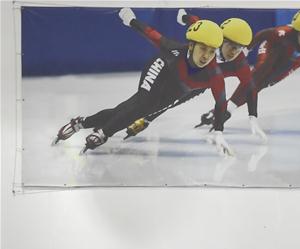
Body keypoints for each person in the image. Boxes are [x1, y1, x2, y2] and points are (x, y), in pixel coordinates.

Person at [52, 14, 232, 155]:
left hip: (176, 86)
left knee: (127, 110)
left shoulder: (213, 75)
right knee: (141, 105)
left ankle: (81, 123)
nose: (206, 56)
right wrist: (131, 20)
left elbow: (221, 102)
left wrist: (218, 132)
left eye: (211, 51)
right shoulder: (175, 50)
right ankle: (104, 133)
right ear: (191, 46)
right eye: (202, 49)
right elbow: (152, 35)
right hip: (161, 67)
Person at [124, 9, 264, 142]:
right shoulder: (210, 39)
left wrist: (253, 117)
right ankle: (130, 117)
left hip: (199, 83)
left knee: (171, 102)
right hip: (179, 69)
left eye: (239, 48)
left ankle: (145, 120)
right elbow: (194, 23)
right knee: (154, 98)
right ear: (221, 39)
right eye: (231, 46)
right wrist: (131, 20)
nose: (234, 52)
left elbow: (250, 87)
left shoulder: (239, 63)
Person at [194, 8, 300, 130]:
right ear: (297, 32)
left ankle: (222, 111)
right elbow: (263, 34)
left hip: (289, 61)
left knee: (263, 84)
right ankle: (225, 111)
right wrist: (247, 49)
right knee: (258, 74)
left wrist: (298, 64)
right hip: (272, 48)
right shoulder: (282, 34)